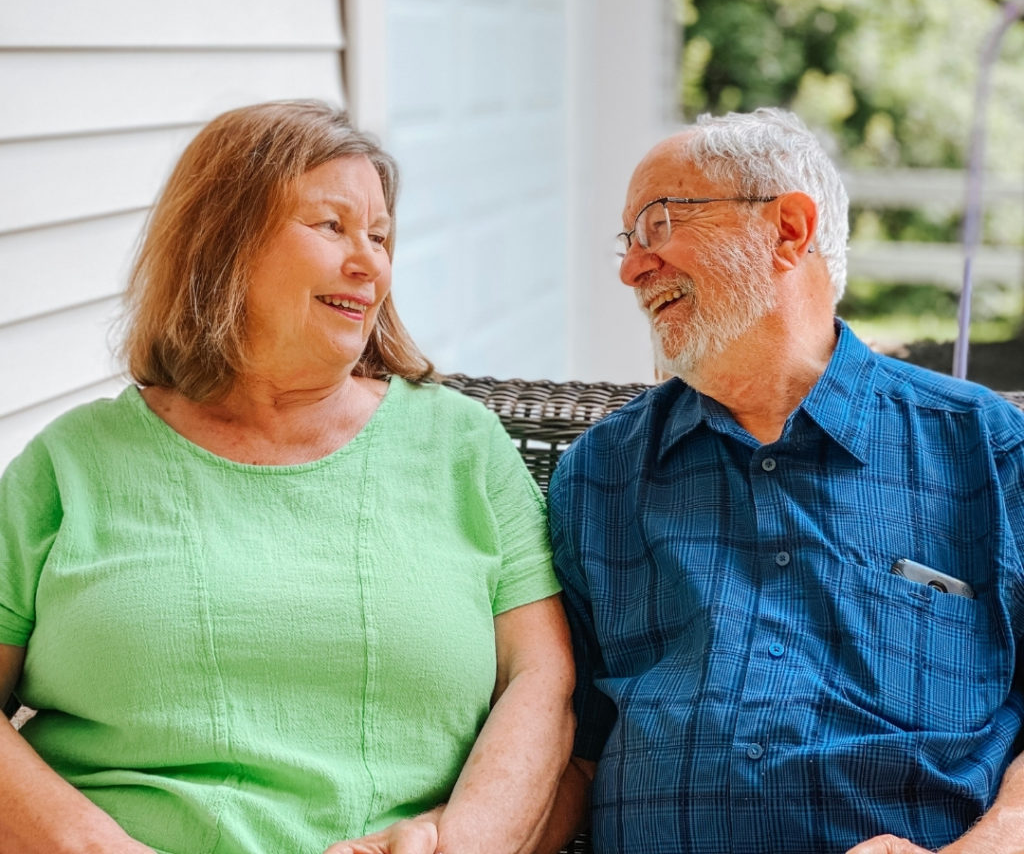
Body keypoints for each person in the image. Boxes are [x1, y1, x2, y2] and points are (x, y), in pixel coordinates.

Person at [0, 100, 575, 854]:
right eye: (331, 226)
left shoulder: (461, 446)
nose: (369, 263)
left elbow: (543, 684)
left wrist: (458, 843)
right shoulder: (70, 464)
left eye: (379, 236)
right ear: (223, 243)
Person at [545, 108, 1024, 854]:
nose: (632, 268)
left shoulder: (985, 450)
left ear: (789, 230)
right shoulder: (600, 475)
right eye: (628, 241)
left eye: (660, 224)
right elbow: (570, 746)